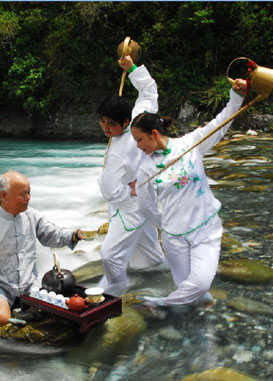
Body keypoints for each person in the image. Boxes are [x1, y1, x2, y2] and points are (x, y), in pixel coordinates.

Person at [130, 78, 248, 307]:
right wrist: (166, 223)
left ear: (154, 134)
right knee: (186, 287)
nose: (138, 146)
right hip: (174, 238)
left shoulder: (190, 144)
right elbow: (145, 206)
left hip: (206, 229)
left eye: (140, 139)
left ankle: (156, 303)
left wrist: (237, 97)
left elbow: (221, 123)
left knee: (200, 283)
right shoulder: (145, 169)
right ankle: (199, 318)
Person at [0, 170, 82, 328]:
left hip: (29, 285)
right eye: (23, 194)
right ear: (4, 195)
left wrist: (74, 235)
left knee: (61, 312)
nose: (28, 198)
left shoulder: (32, 216)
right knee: (0, 320)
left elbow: (52, 234)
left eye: (29, 193)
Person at [96, 54, 165, 296]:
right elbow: (148, 91)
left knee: (110, 254)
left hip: (130, 206)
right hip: (138, 200)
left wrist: (129, 193)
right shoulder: (136, 122)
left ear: (126, 121)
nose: (106, 128)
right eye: (102, 122)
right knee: (147, 255)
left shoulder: (125, 143)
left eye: (111, 124)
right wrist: (132, 68)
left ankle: (115, 291)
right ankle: (166, 280)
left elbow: (109, 190)